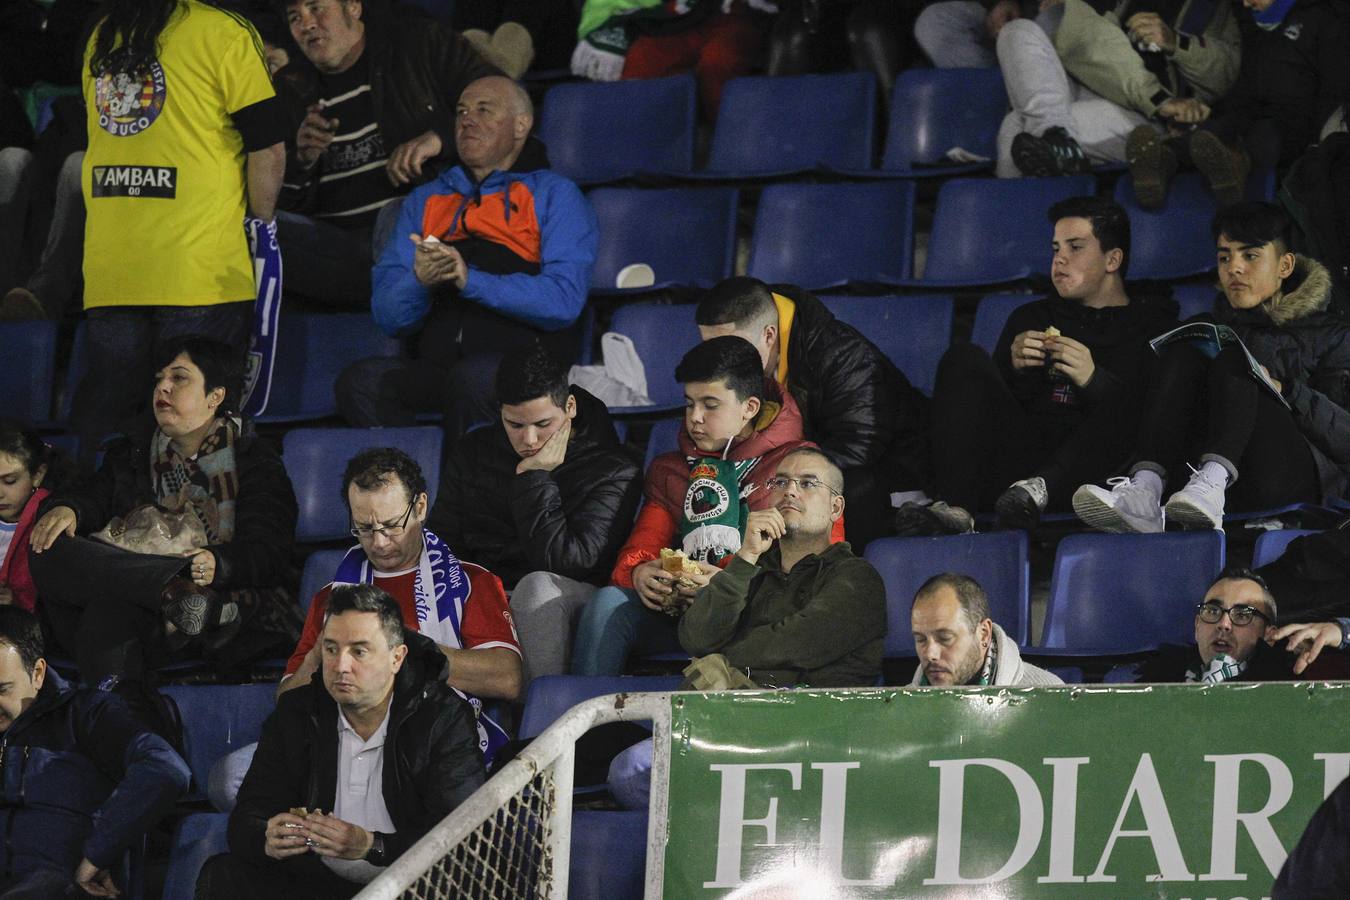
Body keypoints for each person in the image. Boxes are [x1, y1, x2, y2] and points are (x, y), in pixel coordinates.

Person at [73, 0, 287, 464]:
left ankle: (106, 533)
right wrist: (262, 227)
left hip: (112, 272)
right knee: (201, 447)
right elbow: (267, 146)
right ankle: (203, 539)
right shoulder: (222, 30)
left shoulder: (102, 33)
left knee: (116, 441)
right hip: (199, 269)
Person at [338, 75, 598, 442]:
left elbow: (563, 301)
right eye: (461, 111)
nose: (466, 120)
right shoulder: (424, 200)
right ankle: (410, 489)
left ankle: (465, 494)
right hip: (438, 366)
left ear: (521, 125)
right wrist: (421, 282)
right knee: (361, 383)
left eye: (484, 110)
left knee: (473, 380)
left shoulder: (555, 194)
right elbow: (388, 315)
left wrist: (468, 280)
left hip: (524, 365)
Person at [28, 337, 301, 685]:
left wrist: (220, 562)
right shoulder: (133, 452)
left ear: (215, 397)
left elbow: (269, 551)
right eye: (160, 379)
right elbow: (93, 496)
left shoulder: (253, 461)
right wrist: (71, 509)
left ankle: (120, 728)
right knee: (47, 545)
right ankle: (168, 585)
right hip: (150, 598)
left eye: (179, 378)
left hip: (216, 606)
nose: (164, 387)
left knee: (106, 615)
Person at [897, 196, 1177, 534]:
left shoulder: (1152, 325)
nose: (1059, 259)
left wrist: (1093, 380)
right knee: (963, 358)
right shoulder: (1031, 317)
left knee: (1139, 401)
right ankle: (959, 512)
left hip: (1095, 479)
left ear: (1112, 259)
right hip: (1019, 472)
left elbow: (1149, 420)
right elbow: (986, 414)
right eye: (1056, 248)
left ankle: (1039, 488)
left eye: (1075, 247)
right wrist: (1012, 368)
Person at [570, 336, 840, 676]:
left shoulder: (800, 467)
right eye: (688, 404)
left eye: (710, 405)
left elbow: (823, 567)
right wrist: (642, 573)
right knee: (607, 604)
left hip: (760, 619)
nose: (694, 418)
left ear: (750, 407)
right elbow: (642, 547)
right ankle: (586, 725)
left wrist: (732, 584)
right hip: (685, 617)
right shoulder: (672, 469)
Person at [1074, 202, 1350, 533]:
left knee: (1234, 358)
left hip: (1295, 477)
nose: (1234, 268)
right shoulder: (1207, 329)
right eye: (1224, 257)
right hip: (1202, 480)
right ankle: (1145, 491)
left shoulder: (1333, 335)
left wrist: (1287, 391)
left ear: (1285, 265)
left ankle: (1213, 482)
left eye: (1250, 256)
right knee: (1185, 350)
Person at [197, 585, 485, 897]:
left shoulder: (442, 718)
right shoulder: (297, 712)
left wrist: (370, 845)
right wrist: (265, 837)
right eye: (332, 649)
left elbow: (461, 839)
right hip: (319, 881)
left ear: (396, 658)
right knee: (224, 876)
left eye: (359, 651)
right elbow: (248, 816)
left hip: (411, 884)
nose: (341, 666)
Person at [281, 447, 521, 765]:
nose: (379, 542)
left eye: (392, 525)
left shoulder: (470, 581)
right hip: (335, 745)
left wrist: (404, 650)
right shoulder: (331, 598)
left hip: (431, 747)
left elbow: (507, 679)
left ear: (420, 507)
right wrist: (324, 653)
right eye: (364, 528)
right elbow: (287, 703)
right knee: (230, 778)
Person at [427, 345, 642, 683]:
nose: (529, 439)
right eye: (515, 424)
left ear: (569, 407)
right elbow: (444, 544)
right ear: (500, 413)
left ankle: (537, 724)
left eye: (543, 424)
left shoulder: (614, 468)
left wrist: (533, 478)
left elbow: (570, 562)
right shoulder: (473, 452)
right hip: (490, 591)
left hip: (567, 595)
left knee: (536, 588)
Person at [271, 0, 500, 309]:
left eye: (316, 8)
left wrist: (440, 138)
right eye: (294, 17)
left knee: (398, 215)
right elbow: (282, 203)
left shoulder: (418, 44)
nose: (306, 24)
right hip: (337, 250)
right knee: (249, 227)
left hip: (418, 236)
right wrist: (301, 160)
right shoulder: (290, 88)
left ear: (353, 7)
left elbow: (504, 103)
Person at [696, 276, 929, 550]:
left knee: (851, 487)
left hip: (888, 485)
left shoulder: (843, 355)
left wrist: (770, 481)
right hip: (787, 477)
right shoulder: (747, 364)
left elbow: (858, 448)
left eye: (730, 349)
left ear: (769, 335)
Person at [0, 606, 189, 898]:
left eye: (2, 689)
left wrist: (98, 854)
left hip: (59, 887)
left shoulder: (87, 714)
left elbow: (164, 768)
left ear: (37, 672)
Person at [679, 448, 886, 687]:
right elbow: (696, 639)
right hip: (738, 712)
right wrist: (746, 556)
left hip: (817, 716)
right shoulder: (750, 568)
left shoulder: (857, 577)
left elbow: (799, 642)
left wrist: (718, 655)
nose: (789, 491)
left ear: (835, 508)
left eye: (808, 483)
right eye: (780, 482)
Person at [1123, 0, 1350, 207]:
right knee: (1214, 130)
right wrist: (1210, 110)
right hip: (1249, 110)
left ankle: (1235, 164)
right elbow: (1245, 84)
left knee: (1264, 134)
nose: (1245, 2)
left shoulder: (1326, 17)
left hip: (1296, 124)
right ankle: (1161, 162)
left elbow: (1334, 90)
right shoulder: (1251, 25)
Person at [990, 0, 1238, 178]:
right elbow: (1092, 41)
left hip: (1147, 118)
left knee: (1015, 126)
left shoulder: (1213, 8)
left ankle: (1056, 142)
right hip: (1090, 86)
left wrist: (1177, 43)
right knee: (1017, 30)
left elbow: (1224, 76)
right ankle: (1056, 139)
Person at [1131, 568, 1293, 682]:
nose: (1223, 624)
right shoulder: (1156, 683)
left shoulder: (1292, 693)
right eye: (1213, 611)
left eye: (1242, 615)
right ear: (1197, 626)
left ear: (1269, 636)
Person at [910, 572, 1062, 687]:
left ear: (983, 634)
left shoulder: (1049, 698)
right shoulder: (902, 710)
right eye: (920, 639)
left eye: (945, 638)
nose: (930, 654)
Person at [0, 422, 69, 613]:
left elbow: (56, 601)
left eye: (9, 481)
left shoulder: (49, 522)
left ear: (38, 474)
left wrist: (16, 602)